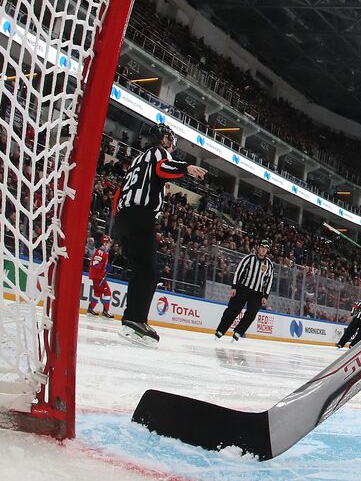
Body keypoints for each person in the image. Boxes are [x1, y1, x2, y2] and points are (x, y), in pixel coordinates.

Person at [109, 123, 207, 345]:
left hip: (124, 218)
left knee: (141, 270)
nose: (171, 145)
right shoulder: (158, 153)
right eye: (170, 141)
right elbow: (163, 168)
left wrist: (118, 222)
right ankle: (134, 321)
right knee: (148, 271)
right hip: (140, 216)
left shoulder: (137, 160)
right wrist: (185, 168)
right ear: (164, 139)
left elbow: (120, 192)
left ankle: (132, 319)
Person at [215, 239, 275, 340]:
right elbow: (238, 271)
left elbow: (269, 281)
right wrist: (234, 287)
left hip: (257, 293)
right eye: (262, 247)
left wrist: (265, 296)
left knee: (252, 313)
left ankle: (238, 332)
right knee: (232, 310)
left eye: (266, 248)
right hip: (243, 289)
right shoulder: (249, 258)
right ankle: (221, 330)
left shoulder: (269, 264)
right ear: (258, 248)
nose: (264, 250)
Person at [87, 235, 113, 318]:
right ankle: (105, 311)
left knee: (97, 292)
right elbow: (96, 263)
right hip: (98, 276)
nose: (110, 244)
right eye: (109, 242)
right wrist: (105, 269)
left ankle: (91, 309)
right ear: (106, 242)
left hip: (97, 275)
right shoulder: (101, 251)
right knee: (107, 292)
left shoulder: (103, 251)